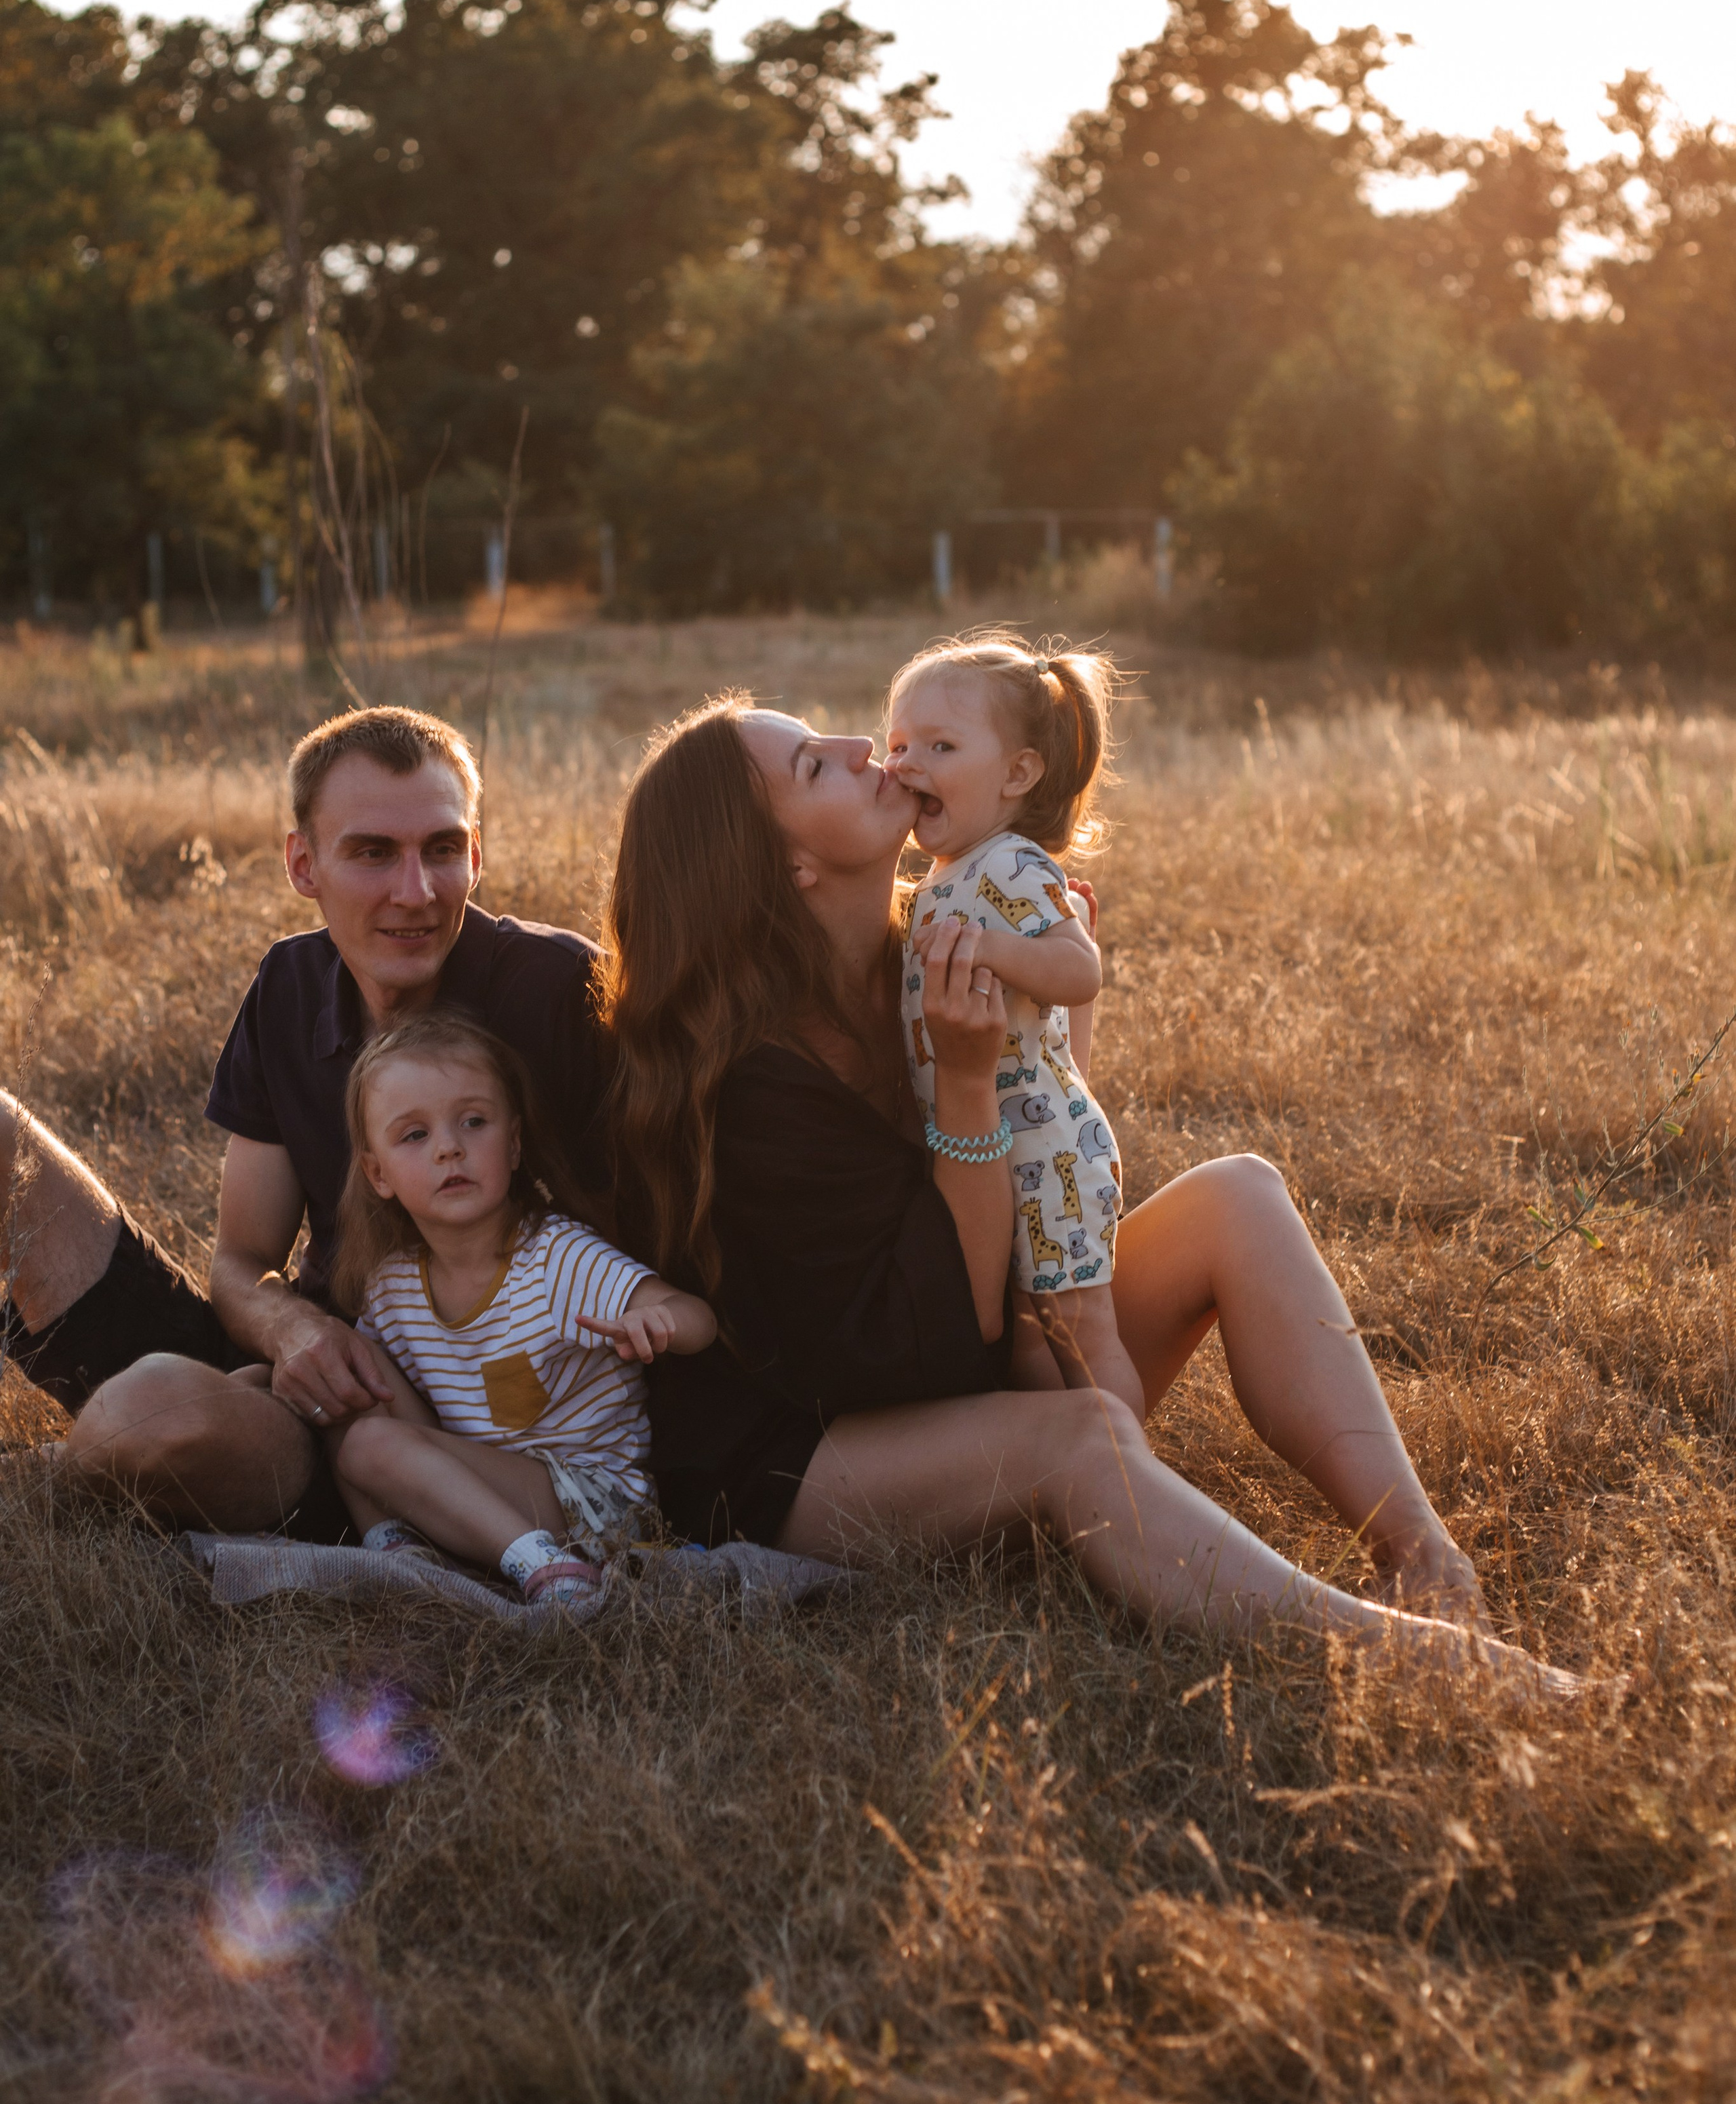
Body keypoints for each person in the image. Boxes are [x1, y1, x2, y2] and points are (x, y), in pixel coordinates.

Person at [601, 693, 1578, 1689]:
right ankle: (1433, 1666)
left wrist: (1044, 1036)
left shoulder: (924, 951)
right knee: (1084, 1439)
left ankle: (1427, 1562)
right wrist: (968, 1082)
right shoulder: (755, 1085)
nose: (860, 746)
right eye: (813, 764)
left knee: (1238, 1195)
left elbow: (1034, 1177)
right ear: (785, 868)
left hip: (963, 1374)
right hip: (804, 1459)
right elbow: (944, 1331)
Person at [1, 705, 609, 1538]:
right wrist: (295, 1331)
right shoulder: (289, 986)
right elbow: (241, 1262)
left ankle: (64, 1468)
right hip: (306, 1378)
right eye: (372, 853)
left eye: (440, 849)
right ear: (303, 864)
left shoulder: (561, 991)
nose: (416, 892)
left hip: (442, 1447)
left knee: (145, 1416)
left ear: (475, 854)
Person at [324, 1007, 714, 1603]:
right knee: (339, 1379)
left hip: (599, 1507)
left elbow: (697, 1318)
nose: (449, 1149)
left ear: (513, 1144)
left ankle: (553, 1573)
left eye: (473, 1122)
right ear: (378, 1174)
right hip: (486, 1490)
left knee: (370, 1446)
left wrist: (658, 1320)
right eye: (415, 1135)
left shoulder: (555, 1258)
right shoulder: (392, 1287)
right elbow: (377, 1404)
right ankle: (405, 1556)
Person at [885, 632, 1142, 1413]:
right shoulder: (937, 880)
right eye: (897, 745)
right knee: (1030, 1339)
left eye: (940, 746)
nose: (907, 764)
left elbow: (1078, 969)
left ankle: (1128, 1468)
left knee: (1081, 1331)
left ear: (1017, 774)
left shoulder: (1010, 863)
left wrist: (994, 948)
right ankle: (1070, 1461)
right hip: (993, 1155)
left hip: (1049, 1150)